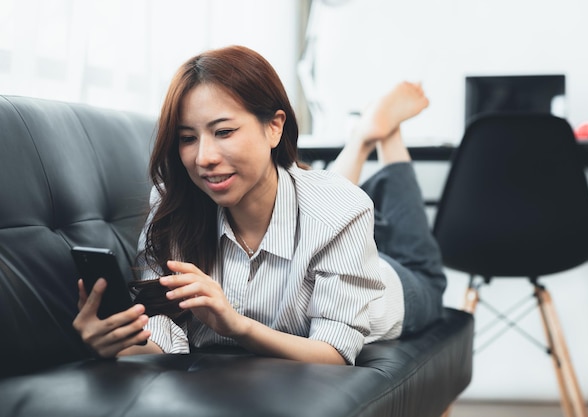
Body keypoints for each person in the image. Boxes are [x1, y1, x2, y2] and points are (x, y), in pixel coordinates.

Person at [73, 45, 446, 365]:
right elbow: (164, 334)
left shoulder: (340, 208)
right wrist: (119, 344)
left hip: (395, 286)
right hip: (324, 219)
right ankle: (365, 136)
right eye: (188, 138)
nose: (204, 158)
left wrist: (235, 324)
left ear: (274, 127)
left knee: (422, 264)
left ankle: (377, 134)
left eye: (224, 132)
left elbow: (334, 353)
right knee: (326, 199)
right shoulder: (174, 205)